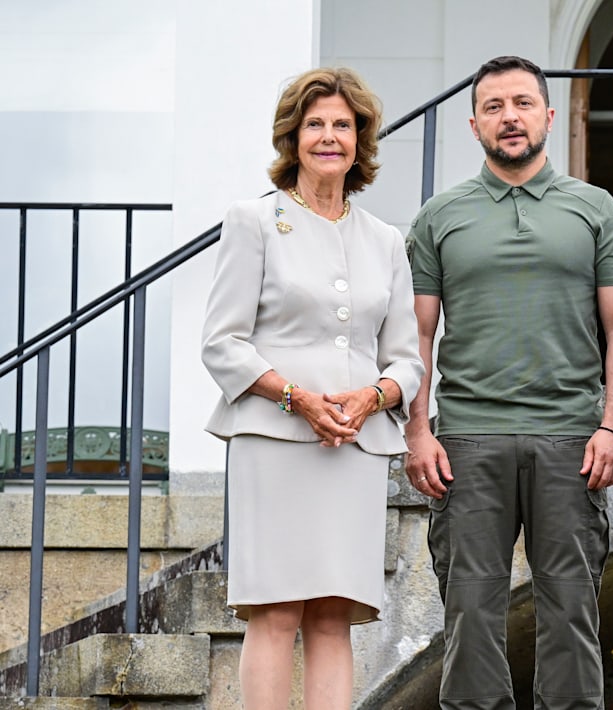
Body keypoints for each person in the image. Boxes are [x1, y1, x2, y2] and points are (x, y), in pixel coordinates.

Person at [404, 55, 613, 710]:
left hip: (572, 440)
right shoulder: (439, 216)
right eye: (494, 107)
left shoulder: (595, 210)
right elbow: (415, 335)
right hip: (465, 442)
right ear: (474, 124)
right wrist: (418, 432)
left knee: (571, 615)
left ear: (548, 115)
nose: (509, 117)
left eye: (522, 104)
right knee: (470, 621)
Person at [201, 66, 422, 710]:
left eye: (342, 126)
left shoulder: (386, 240)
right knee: (274, 609)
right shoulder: (253, 221)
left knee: (332, 614)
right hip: (274, 442)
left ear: (360, 141)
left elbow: (406, 361)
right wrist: (295, 397)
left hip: (354, 448)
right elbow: (222, 342)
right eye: (315, 124)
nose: (329, 136)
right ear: (293, 139)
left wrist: (373, 396)